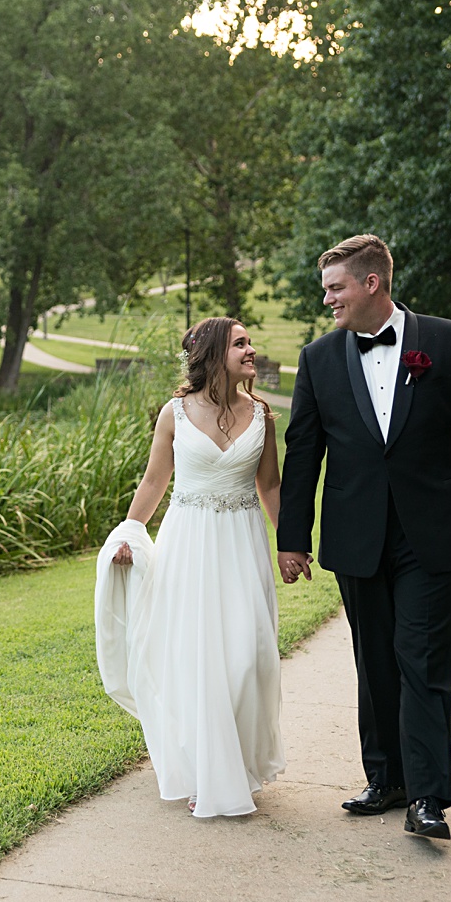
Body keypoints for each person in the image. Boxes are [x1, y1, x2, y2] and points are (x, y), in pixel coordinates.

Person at [275, 233, 451, 844]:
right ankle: (385, 778)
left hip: (434, 537)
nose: (328, 300)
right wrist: (292, 538)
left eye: (335, 288)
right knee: (373, 660)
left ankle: (428, 796)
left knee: (424, 660)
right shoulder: (318, 359)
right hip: (358, 537)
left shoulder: (448, 342)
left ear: (371, 284)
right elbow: (303, 454)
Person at [94, 316, 285, 818]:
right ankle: (205, 772)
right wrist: (130, 534)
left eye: (250, 342)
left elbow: (269, 487)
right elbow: (155, 481)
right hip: (189, 543)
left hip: (242, 543)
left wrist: (290, 545)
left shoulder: (262, 415)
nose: (252, 350)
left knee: (248, 656)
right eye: (241, 343)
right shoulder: (174, 413)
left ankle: (240, 765)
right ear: (214, 352)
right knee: (197, 658)